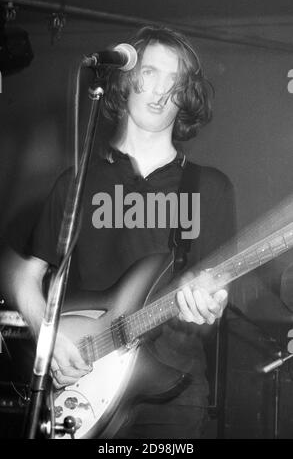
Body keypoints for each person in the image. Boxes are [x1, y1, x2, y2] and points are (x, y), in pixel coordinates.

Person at [0, 25, 235, 438]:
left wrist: (211, 303)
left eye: (176, 80)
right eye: (149, 73)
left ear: (187, 97)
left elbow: (217, 286)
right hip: (82, 381)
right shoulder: (76, 181)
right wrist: (46, 333)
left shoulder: (209, 187)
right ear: (125, 81)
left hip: (172, 393)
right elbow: (21, 271)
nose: (161, 90)